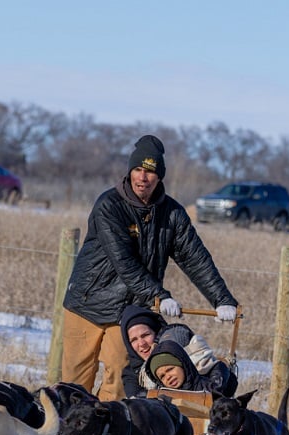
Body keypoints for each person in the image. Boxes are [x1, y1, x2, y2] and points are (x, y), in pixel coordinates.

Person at [62, 134, 238, 402]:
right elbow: (125, 262)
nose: (142, 177)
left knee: (119, 379)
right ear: (130, 171)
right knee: (74, 383)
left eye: (150, 172)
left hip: (126, 313)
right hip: (87, 304)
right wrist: (159, 296)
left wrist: (222, 299)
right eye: (138, 170)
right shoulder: (109, 206)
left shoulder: (173, 214)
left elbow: (196, 258)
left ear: (159, 177)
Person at [120, 304, 222, 398]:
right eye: (134, 340)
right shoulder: (132, 375)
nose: (142, 343)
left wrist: (221, 374)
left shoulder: (194, 355)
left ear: (157, 335)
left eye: (146, 335)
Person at [144, 339, 238, 398]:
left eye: (170, 369)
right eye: (162, 376)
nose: (168, 377)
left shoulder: (207, 387)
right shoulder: (163, 398)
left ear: (183, 365)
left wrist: (221, 370)